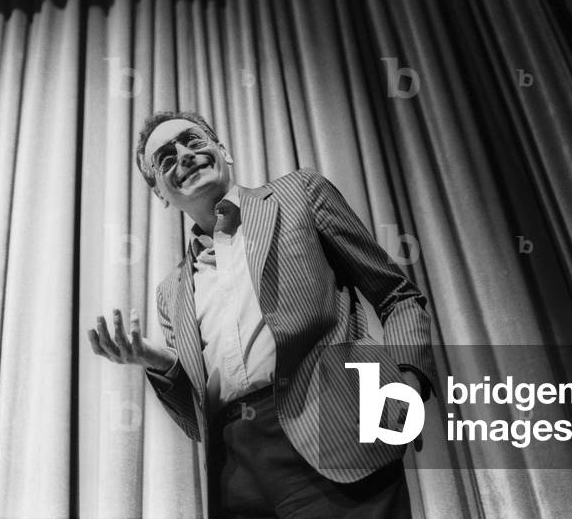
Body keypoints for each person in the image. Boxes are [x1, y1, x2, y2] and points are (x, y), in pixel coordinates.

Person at [88, 110, 435, 517]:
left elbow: (397, 295)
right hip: (236, 472)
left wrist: (407, 388)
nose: (183, 155)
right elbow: (195, 421)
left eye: (193, 140)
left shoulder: (300, 195)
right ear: (161, 195)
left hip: (336, 435)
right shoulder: (172, 294)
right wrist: (158, 361)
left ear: (224, 151)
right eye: (165, 158)